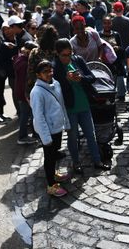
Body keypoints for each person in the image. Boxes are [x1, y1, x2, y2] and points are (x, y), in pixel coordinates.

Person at [53, 39, 111, 174]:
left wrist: (81, 78)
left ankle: (97, 161)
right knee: (73, 138)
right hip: (70, 108)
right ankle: (76, 163)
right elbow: (56, 89)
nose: (68, 57)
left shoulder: (77, 60)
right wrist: (66, 81)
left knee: (91, 135)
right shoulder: (55, 67)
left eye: (69, 54)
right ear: (58, 54)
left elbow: (91, 77)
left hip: (84, 104)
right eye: (64, 55)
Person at [30, 60, 72, 197]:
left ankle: (54, 174)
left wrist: (66, 123)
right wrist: (46, 137)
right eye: (45, 72)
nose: (49, 74)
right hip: (47, 131)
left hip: (57, 128)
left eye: (50, 70)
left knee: (54, 155)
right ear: (38, 75)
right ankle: (51, 185)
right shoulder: (36, 92)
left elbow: (62, 105)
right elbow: (39, 116)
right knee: (49, 157)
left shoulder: (56, 84)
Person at [14, 41, 39, 145]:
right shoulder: (25, 64)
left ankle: (32, 134)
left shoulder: (20, 59)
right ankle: (23, 136)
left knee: (26, 114)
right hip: (24, 94)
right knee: (27, 115)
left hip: (21, 92)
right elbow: (26, 81)